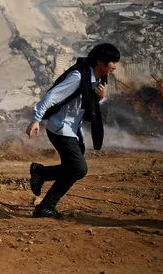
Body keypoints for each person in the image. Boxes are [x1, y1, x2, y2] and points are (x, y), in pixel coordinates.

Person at [26, 43, 120, 219]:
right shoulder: (78, 77)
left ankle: (41, 174)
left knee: (73, 168)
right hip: (60, 128)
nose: (114, 66)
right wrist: (35, 120)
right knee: (78, 169)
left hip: (73, 129)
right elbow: (52, 96)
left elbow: (88, 105)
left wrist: (100, 98)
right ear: (100, 62)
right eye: (112, 62)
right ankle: (46, 205)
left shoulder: (97, 80)